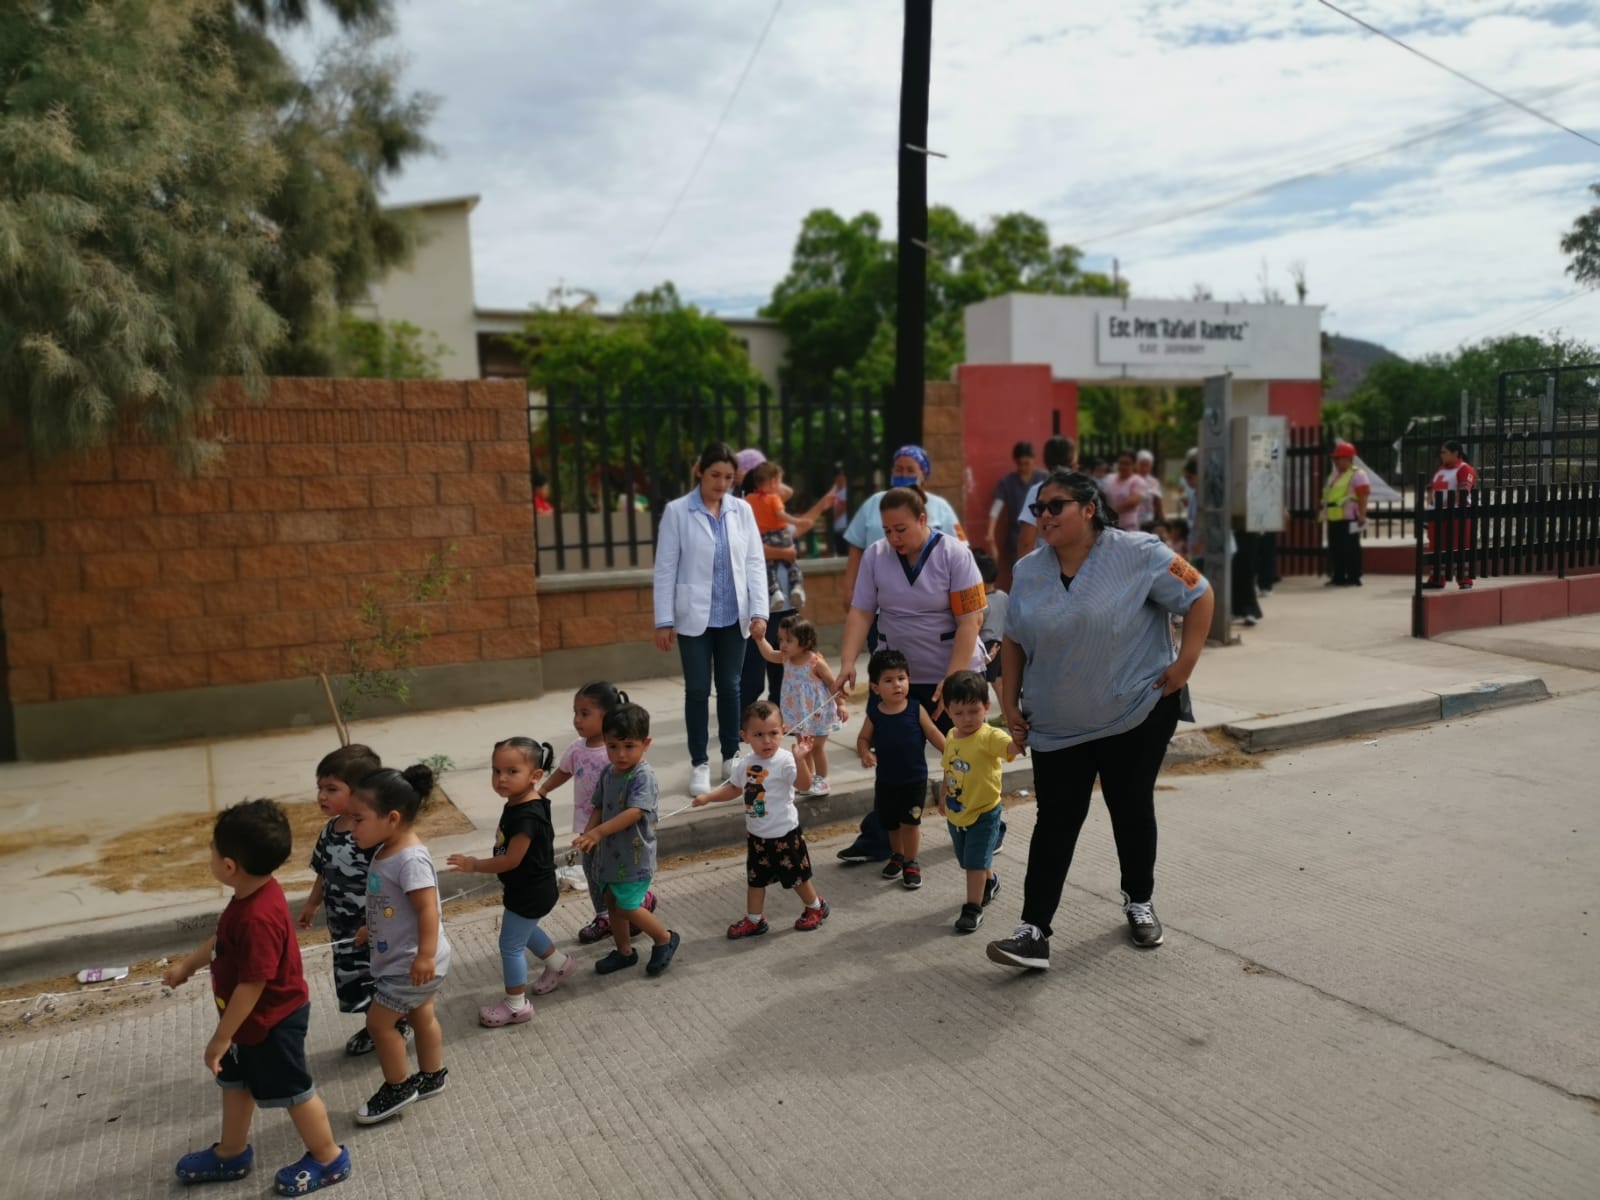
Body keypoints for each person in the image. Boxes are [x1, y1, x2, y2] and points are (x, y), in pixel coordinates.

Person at [985, 470, 1215, 973]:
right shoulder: (1028, 570)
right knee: (1055, 823)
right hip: (1057, 722)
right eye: (1038, 509)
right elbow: (1016, 640)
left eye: (1055, 506)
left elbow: (1199, 594)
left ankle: (1139, 901)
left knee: (1130, 809)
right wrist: (1010, 703)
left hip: (1135, 712)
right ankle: (1034, 931)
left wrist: (1186, 663)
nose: (1043, 516)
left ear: (1089, 508)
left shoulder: (1140, 553)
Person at [166, 799, 352, 1194]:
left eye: (213, 852)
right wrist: (188, 965)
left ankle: (329, 1158)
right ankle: (232, 1153)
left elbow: (254, 983)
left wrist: (221, 1038)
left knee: (295, 1093)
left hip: (272, 1021)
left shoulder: (256, 916)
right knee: (235, 1084)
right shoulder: (254, 896)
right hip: (245, 1022)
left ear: (229, 866)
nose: (211, 858)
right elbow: (224, 944)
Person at [653, 443, 771, 796]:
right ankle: (699, 762)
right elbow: (665, 568)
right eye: (715, 475)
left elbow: (754, 561)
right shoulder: (677, 512)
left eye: (729, 477)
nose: (722, 484)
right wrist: (663, 619)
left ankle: (731, 757)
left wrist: (759, 611)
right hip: (694, 618)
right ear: (699, 472)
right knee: (698, 689)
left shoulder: (742, 510)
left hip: (733, 615)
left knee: (732, 688)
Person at [347, 764, 452, 1125]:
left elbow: (427, 911)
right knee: (422, 1015)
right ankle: (432, 1074)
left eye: (358, 819)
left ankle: (398, 1086)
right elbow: (395, 906)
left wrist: (423, 956)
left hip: (411, 964)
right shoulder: (388, 848)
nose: (351, 828)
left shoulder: (410, 859)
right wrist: (371, 927)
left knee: (380, 1025)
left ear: (392, 818)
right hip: (409, 958)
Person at [448, 739, 577, 1029]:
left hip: (531, 891)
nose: (501, 779)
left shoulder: (526, 816)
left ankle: (516, 1006)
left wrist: (474, 865)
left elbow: (510, 860)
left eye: (511, 771)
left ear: (535, 776)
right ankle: (560, 965)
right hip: (531, 887)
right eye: (496, 771)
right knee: (526, 933)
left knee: (510, 945)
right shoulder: (523, 801)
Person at [837, 486, 989, 724]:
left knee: (963, 755)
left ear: (921, 519)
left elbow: (971, 621)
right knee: (899, 753)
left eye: (900, 530)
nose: (893, 538)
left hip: (952, 674)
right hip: (897, 678)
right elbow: (861, 612)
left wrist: (952, 680)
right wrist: (848, 661)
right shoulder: (875, 555)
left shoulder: (955, 554)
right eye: (886, 530)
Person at [691, 700, 831, 937]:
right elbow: (735, 789)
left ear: (783, 730)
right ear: (745, 736)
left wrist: (801, 759)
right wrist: (708, 797)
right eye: (758, 734)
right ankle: (754, 920)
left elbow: (804, 785)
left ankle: (815, 907)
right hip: (757, 836)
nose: (767, 740)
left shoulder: (786, 760)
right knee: (755, 880)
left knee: (797, 877)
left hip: (784, 833)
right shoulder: (746, 764)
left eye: (773, 733)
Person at [536, 682, 657, 945]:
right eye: (575, 712)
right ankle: (604, 915)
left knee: (619, 872)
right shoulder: (577, 748)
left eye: (585, 713)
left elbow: (635, 799)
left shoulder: (616, 752)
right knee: (594, 872)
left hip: (616, 828)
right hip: (587, 825)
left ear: (607, 716)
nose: (577, 720)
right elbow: (564, 771)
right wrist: (543, 790)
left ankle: (636, 903)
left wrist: (602, 828)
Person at [297, 743, 396, 1057]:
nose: (322, 796)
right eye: (320, 788)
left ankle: (391, 1027)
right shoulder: (329, 832)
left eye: (331, 788)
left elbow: (391, 882)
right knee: (355, 982)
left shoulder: (369, 834)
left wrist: (379, 923)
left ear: (360, 793)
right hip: (342, 930)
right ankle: (379, 1025)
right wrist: (313, 904)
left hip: (373, 928)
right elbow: (323, 872)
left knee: (378, 979)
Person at [573, 702, 681, 977]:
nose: (620, 754)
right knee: (611, 902)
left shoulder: (643, 776)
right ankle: (624, 952)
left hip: (634, 858)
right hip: (609, 855)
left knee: (628, 905)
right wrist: (588, 833)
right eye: (612, 746)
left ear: (646, 743)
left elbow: (634, 813)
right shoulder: (609, 773)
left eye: (629, 746)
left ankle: (665, 938)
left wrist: (598, 833)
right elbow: (598, 805)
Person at [938, 669, 1022, 934]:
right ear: (948, 711)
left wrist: (1019, 735)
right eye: (959, 713)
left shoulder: (989, 736)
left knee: (973, 862)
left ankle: (972, 909)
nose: (967, 719)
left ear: (986, 707)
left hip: (985, 813)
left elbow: (1010, 748)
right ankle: (990, 881)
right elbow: (948, 769)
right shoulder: (952, 736)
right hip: (957, 812)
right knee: (968, 859)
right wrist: (943, 798)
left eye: (974, 711)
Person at [855, 649, 947, 891]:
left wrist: (951, 752)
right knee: (891, 824)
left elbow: (934, 734)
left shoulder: (916, 709)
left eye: (901, 678)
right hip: (886, 781)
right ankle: (897, 855)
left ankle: (911, 862)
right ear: (875, 688)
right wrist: (865, 753)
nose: (897, 685)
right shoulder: (874, 714)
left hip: (913, 780)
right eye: (889, 680)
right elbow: (863, 739)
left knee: (910, 823)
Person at [840, 444, 965, 607]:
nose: (903, 475)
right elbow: (856, 549)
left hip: (929, 603)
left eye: (910, 470)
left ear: (924, 475)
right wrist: (849, 590)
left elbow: (961, 551)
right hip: (877, 604)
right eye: (898, 470)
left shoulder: (940, 507)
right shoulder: (873, 504)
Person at [750, 615, 847, 793]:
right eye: (781, 640)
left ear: (805, 642)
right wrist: (760, 639)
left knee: (817, 747)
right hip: (798, 713)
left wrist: (841, 704)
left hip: (818, 713)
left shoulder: (815, 662)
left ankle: (822, 779)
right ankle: (807, 779)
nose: (783, 645)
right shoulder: (786, 658)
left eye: (789, 640)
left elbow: (832, 683)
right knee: (804, 748)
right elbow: (770, 654)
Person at [746, 460, 831, 611]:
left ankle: (775, 591)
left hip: (765, 536)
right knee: (792, 564)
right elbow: (787, 499)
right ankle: (797, 586)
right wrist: (798, 523)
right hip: (780, 538)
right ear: (773, 482)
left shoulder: (750, 500)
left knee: (768, 568)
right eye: (779, 482)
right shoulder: (774, 500)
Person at [985, 440, 1047, 570]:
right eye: (1020, 464)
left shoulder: (1044, 478)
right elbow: (996, 508)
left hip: (1043, 536)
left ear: (1033, 460)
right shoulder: (1007, 482)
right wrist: (990, 534)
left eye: (1027, 463)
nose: (1023, 468)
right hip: (1016, 538)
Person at [1424, 439, 1477, 590]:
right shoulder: (1442, 469)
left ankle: (1464, 579)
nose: (1441, 455)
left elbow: (1463, 491)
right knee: (1436, 546)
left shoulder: (1465, 469)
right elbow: (1432, 487)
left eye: (1444, 452)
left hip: (1457, 515)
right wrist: (1431, 503)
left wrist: (1443, 505)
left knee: (1460, 545)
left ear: (1455, 453)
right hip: (1438, 515)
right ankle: (1436, 579)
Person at [1015, 435, 1078, 559]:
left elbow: (1026, 542)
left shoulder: (1039, 491)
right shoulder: (1085, 491)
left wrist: (1022, 575)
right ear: (1072, 460)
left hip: (1048, 569)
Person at [1322, 440, 1371, 588]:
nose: (1335, 461)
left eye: (1338, 458)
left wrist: (1362, 515)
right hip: (1335, 518)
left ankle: (1354, 577)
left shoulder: (1358, 475)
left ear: (1349, 458)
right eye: (1335, 459)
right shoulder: (1335, 475)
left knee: (1351, 548)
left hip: (1350, 518)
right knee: (1335, 548)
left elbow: (1363, 496)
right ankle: (1338, 576)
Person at [971, 549, 1008, 686]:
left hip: (986, 647)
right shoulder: (1003, 596)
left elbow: (974, 628)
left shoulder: (980, 603)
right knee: (999, 682)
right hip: (1002, 645)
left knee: (980, 684)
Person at [1101, 451, 1150, 532]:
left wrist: (1109, 513)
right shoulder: (1109, 478)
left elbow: (1132, 503)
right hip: (1109, 526)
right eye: (1121, 463)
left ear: (1134, 465)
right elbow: (1101, 497)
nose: (1123, 466)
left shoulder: (1138, 481)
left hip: (1128, 527)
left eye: (1127, 464)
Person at [1134, 449, 1165, 531]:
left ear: (1150, 467)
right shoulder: (1131, 480)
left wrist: (1162, 519)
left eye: (1147, 465)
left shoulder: (1153, 482)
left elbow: (1157, 501)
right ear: (1136, 465)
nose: (1144, 468)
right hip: (1133, 520)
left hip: (1148, 520)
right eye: (1141, 465)